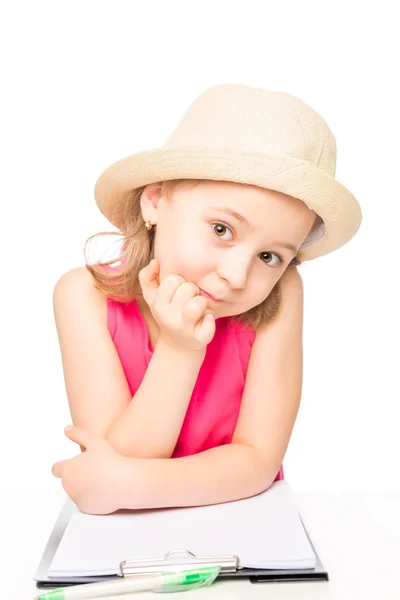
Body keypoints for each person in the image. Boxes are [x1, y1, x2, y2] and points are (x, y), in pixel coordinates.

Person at [51, 84, 362, 515]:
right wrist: (179, 350)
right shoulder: (83, 296)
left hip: (241, 524)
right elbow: (114, 459)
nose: (237, 276)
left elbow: (256, 460)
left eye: (269, 256)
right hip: (125, 539)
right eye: (222, 230)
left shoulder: (283, 294)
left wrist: (127, 486)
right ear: (156, 200)